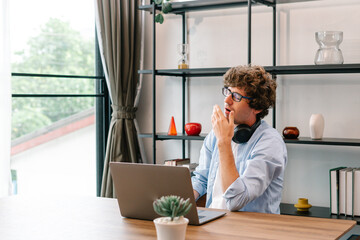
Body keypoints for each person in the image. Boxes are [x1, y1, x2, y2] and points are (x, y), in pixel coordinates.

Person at [191, 65, 287, 214]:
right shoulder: (214, 134)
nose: (227, 100)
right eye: (228, 92)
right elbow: (202, 179)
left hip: (249, 231)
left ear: (257, 107)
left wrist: (224, 142)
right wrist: (178, 201)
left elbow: (236, 200)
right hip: (211, 224)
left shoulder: (270, 142)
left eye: (236, 96)